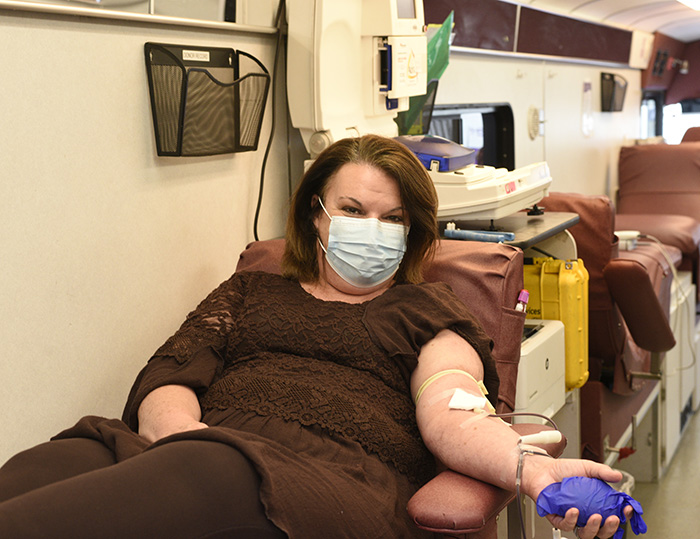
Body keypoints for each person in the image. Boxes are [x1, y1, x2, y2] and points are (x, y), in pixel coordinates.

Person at [0, 135, 629, 538]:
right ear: (315, 213)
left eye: (394, 219)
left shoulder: (426, 312)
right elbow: (172, 376)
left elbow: (454, 412)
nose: (373, 230)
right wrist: (180, 437)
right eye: (354, 211)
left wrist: (530, 470)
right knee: (62, 459)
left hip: (333, 482)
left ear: (413, 234)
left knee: (216, 467)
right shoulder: (250, 291)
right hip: (199, 451)